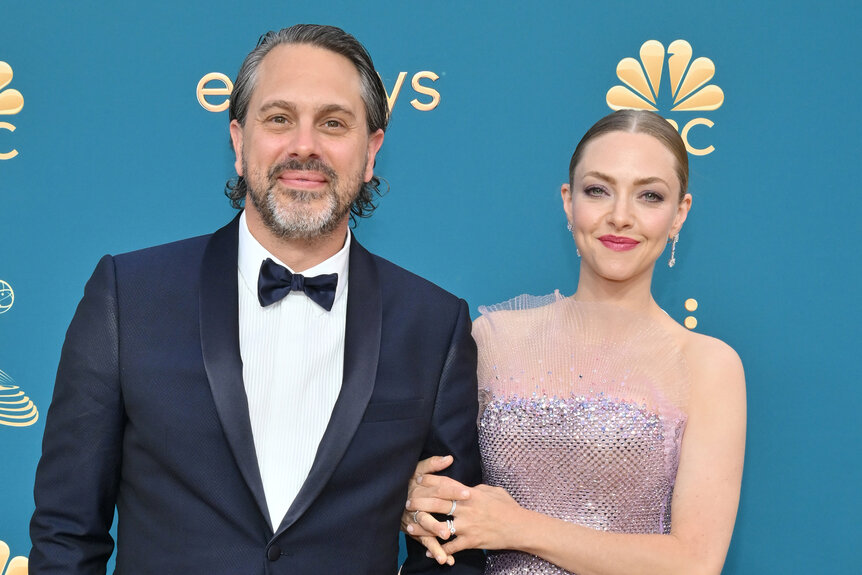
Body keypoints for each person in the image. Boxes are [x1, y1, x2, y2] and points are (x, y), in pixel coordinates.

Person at [30, 24, 484, 574]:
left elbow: (449, 549)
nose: (304, 145)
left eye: (334, 123)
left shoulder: (434, 324)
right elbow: (65, 535)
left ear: (371, 153)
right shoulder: (128, 297)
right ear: (240, 143)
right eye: (279, 119)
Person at [402, 110, 746, 574]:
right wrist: (413, 496)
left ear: (679, 213)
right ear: (568, 202)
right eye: (597, 190)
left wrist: (519, 527)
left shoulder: (708, 365)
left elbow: (695, 563)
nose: (620, 216)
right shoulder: (492, 338)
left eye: (649, 195)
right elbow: (440, 489)